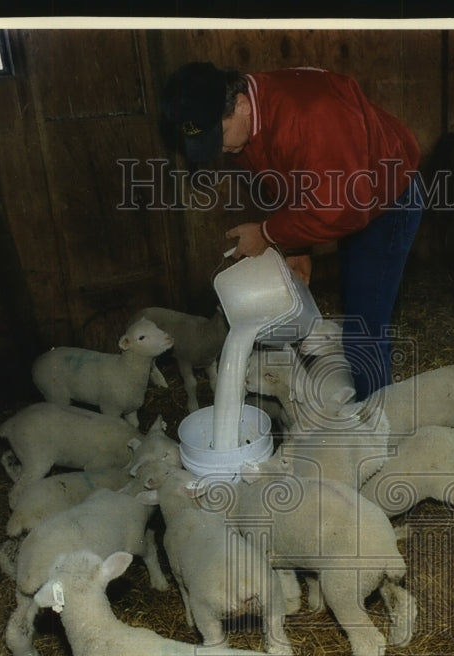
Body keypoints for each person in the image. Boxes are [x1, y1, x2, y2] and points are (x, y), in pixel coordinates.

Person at [160, 61, 423, 401]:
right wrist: (299, 246)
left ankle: (378, 427)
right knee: (356, 302)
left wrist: (270, 233)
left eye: (220, 137)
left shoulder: (310, 115)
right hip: (349, 193)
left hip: (387, 198)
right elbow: (289, 184)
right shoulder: (245, 127)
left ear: (240, 103)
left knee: (364, 324)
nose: (221, 151)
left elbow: (343, 207)